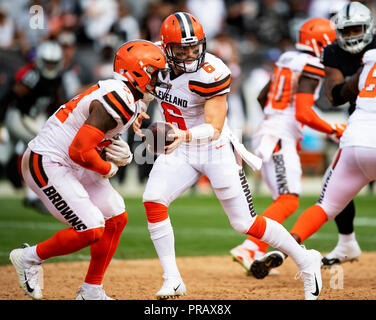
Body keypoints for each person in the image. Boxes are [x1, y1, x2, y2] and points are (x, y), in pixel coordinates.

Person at [133, 12, 325, 300]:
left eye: (194, 47)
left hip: (214, 148)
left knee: (245, 223)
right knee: (153, 199)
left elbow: (213, 127)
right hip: (180, 149)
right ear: (165, 48)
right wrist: (138, 109)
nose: (189, 55)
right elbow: (143, 87)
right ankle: (172, 278)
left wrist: (180, 135)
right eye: (181, 49)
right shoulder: (154, 61)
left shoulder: (212, 71)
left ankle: (305, 259)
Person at [9, 40, 169, 300]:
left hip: (71, 160)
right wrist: (109, 167)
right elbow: (80, 150)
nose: (159, 81)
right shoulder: (120, 98)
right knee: (91, 227)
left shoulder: (131, 95)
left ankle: (91, 290)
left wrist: (116, 149)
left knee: (116, 217)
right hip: (48, 161)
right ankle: (28, 258)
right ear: (137, 73)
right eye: (155, 74)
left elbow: (92, 142)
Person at [230, 17, 342, 279]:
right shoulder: (312, 64)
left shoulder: (286, 59)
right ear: (321, 41)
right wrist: (333, 129)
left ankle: (254, 251)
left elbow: (262, 97)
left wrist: (277, 123)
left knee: (281, 199)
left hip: (268, 131)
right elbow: (303, 112)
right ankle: (249, 248)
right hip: (277, 137)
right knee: (289, 199)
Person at [271, 46, 376, 269]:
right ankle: (346, 243)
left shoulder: (368, 60)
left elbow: (338, 94)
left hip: (355, 138)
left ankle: (285, 249)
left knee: (325, 205)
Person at [318, 1, 375, 266]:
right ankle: (346, 243)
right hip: (361, 119)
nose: (352, 36)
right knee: (332, 182)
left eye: (356, 30)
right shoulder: (334, 52)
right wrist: (362, 75)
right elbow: (335, 96)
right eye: (347, 31)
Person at [1, 41, 65, 213]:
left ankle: (30, 194)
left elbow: (58, 101)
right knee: (38, 150)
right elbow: (11, 95)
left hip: (32, 118)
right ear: (39, 60)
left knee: (4, 155)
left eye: (53, 62)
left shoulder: (58, 77)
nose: (51, 66)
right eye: (47, 62)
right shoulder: (32, 76)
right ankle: (31, 197)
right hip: (17, 116)